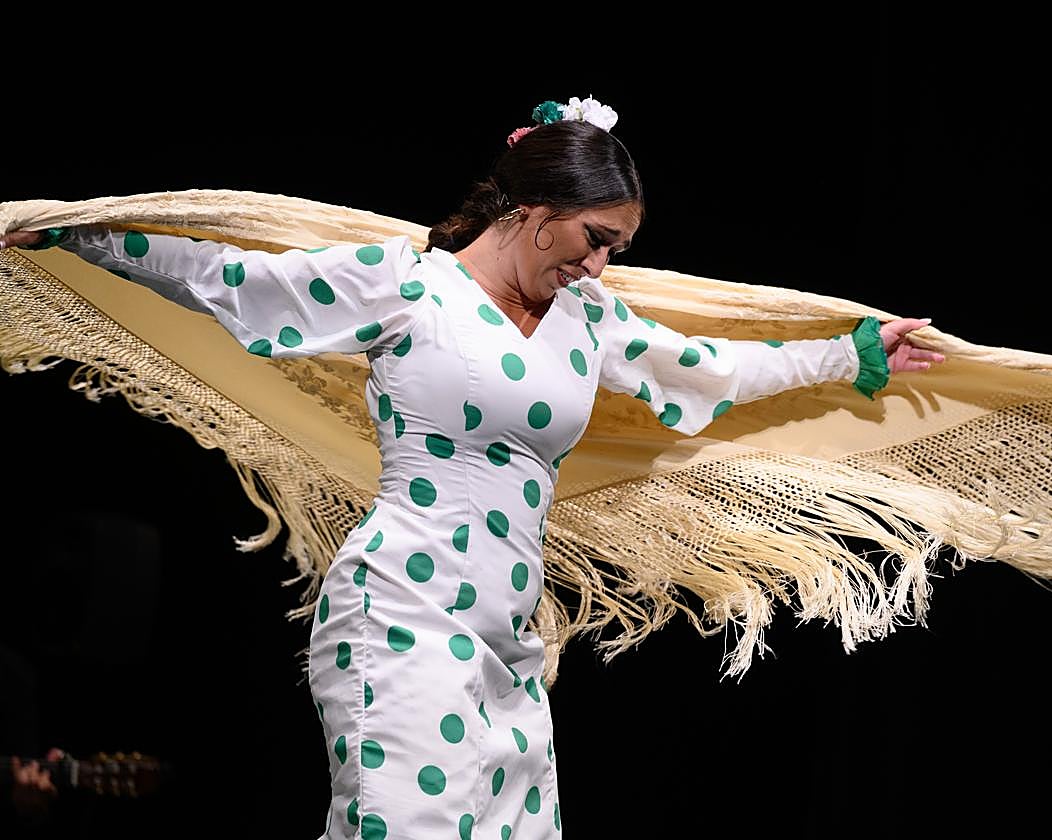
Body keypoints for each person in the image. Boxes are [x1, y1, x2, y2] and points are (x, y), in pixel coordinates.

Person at [0, 95, 945, 839]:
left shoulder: (588, 319)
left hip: (507, 645)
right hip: (403, 617)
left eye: (617, 249)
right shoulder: (414, 289)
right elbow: (230, 281)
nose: (602, 266)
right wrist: (78, 234)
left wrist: (855, 352)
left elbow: (718, 371)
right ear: (536, 211)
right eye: (595, 240)